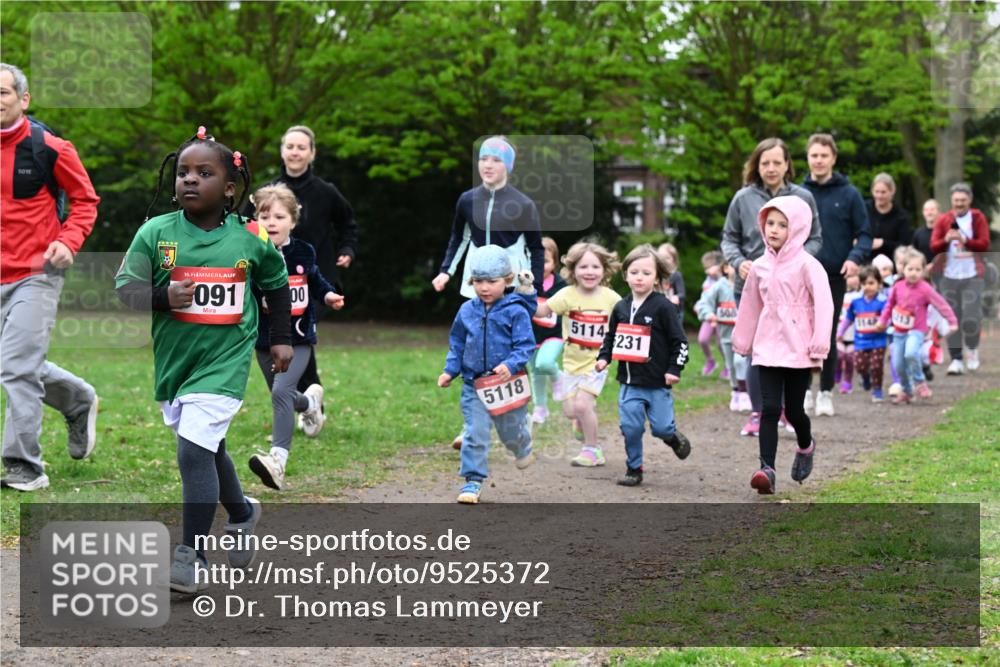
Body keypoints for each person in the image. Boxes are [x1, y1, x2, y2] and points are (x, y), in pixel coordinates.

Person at [116, 128, 291, 591]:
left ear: (230, 189)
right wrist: (162, 295)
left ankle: (192, 554)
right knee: (207, 447)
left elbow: (275, 283)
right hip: (177, 364)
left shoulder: (251, 239)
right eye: (183, 172)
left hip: (226, 359)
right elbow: (125, 290)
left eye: (204, 173)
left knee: (193, 450)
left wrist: (280, 337)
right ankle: (242, 511)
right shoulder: (155, 233)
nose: (190, 180)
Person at [0, 63, 101, 491]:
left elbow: (84, 200)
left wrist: (69, 241)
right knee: (16, 363)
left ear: (23, 99)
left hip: (35, 272)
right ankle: (77, 400)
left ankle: (24, 465)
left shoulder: (49, 147)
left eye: (2, 92)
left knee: (16, 367)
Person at [433, 136, 545, 449]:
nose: (488, 165)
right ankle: (472, 426)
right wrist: (446, 271)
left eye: (496, 160)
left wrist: (531, 287)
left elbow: (536, 248)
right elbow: (459, 237)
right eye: (484, 159)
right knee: (475, 351)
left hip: (512, 288)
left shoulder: (523, 204)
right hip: (476, 284)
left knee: (511, 354)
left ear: (507, 165)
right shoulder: (467, 200)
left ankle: (517, 417)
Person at [253, 125, 358, 423]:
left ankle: (309, 404)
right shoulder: (269, 192)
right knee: (286, 339)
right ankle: (305, 401)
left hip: (313, 280)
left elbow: (348, 223)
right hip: (274, 281)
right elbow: (252, 230)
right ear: (282, 151)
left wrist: (347, 251)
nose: (295, 152)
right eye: (290, 146)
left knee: (299, 336)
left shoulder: (327, 192)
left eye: (302, 147)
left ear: (312, 153)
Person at [720, 137, 822, 437]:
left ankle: (790, 411)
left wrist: (796, 263)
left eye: (777, 162)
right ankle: (759, 411)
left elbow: (816, 238)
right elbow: (729, 238)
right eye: (765, 163)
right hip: (752, 285)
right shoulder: (743, 198)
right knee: (756, 350)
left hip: (794, 291)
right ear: (756, 165)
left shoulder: (803, 197)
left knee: (793, 347)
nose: (771, 168)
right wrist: (738, 261)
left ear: (788, 164)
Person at [732, 196, 833, 495]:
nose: (774, 230)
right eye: (770, 223)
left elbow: (824, 306)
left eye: (782, 224)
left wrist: (819, 344)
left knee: (794, 410)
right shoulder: (760, 267)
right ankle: (767, 470)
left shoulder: (809, 266)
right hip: (766, 347)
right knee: (769, 409)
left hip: (799, 348)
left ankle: (805, 444)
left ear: (798, 228)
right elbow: (750, 305)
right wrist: (743, 339)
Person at [247, 184, 344, 491]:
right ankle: (310, 403)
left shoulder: (303, 251)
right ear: (255, 220)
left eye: (278, 216)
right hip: (263, 339)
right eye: (264, 216)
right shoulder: (250, 253)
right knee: (284, 396)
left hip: (298, 338)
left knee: (280, 393)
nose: (271, 222)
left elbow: (314, 279)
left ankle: (277, 460)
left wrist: (328, 295)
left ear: (293, 220)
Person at [437, 245, 536, 504]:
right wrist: (450, 370)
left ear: (507, 280)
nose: (484, 287)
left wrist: (511, 364)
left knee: (509, 433)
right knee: (475, 432)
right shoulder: (467, 310)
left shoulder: (516, 310)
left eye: (491, 281)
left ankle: (522, 444)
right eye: (478, 281)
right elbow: (457, 343)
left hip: (507, 384)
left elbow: (525, 345)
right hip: (474, 385)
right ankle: (473, 481)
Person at [595, 244, 690, 486]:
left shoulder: (663, 307)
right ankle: (634, 468)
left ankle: (672, 437)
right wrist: (604, 357)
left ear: (657, 277)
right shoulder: (621, 308)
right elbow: (611, 336)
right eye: (634, 272)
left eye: (646, 273)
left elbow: (680, 341)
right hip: (629, 382)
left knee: (660, 428)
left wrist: (674, 369)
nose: (640, 277)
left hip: (657, 382)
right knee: (630, 427)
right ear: (625, 274)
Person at [801, 133, 872, 417]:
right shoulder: (798, 193)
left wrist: (855, 259)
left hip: (832, 274)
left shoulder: (849, 194)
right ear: (808, 158)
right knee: (800, 333)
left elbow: (864, 234)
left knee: (826, 334)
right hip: (800, 274)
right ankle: (803, 391)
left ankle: (826, 393)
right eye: (814, 155)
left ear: (833, 158)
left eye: (823, 156)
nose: (818, 161)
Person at [534, 241, 621, 467]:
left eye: (595, 267)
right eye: (583, 267)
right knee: (571, 411)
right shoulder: (567, 295)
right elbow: (542, 311)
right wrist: (522, 297)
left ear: (604, 270)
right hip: (571, 363)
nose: (589, 272)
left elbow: (627, 320)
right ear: (572, 270)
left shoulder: (611, 298)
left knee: (583, 405)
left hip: (597, 362)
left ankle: (593, 449)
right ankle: (581, 423)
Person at [876, 250, 957, 404]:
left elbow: (941, 304)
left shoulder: (925, 289)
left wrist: (952, 321)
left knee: (911, 353)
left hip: (916, 331)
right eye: (910, 269)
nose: (913, 273)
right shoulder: (897, 287)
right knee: (898, 365)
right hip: (899, 332)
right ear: (903, 269)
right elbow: (888, 306)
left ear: (923, 271)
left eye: (918, 270)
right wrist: (882, 321)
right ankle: (907, 391)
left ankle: (919, 382)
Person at [929, 183, 991, 375]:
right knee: (952, 318)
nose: (959, 204)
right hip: (948, 276)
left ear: (969, 201)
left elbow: (985, 245)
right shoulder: (944, 220)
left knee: (971, 317)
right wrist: (946, 240)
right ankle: (956, 359)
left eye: (963, 201)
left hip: (973, 274)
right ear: (952, 201)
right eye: (956, 201)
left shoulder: (978, 218)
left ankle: (972, 350)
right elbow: (934, 246)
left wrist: (966, 241)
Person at [694, 255, 747, 411]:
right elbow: (704, 302)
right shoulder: (719, 286)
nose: (737, 270)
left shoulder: (748, 286)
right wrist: (709, 314)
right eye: (733, 266)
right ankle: (736, 391)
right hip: (726, 335)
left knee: (740, 362)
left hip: (744, 336)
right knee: (731, 365)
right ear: (725, 268)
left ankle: (745, 392)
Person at [528, 236, 567, 424]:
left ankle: (559, 378)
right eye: (536, 260)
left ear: (554, 263)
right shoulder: (525, 283)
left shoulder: (561, 285)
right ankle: (540, 407)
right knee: (535, 372)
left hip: (554, 336)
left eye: (545, 261)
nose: (540, 265)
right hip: (530, 336)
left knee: (544, 363)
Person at [839, 266, 889, 402]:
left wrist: (884, 325)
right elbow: (849, 319)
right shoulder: (856, 302)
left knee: (876, 366)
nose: (868, 287)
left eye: (871, 283)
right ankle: (865, 378)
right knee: (860, 365)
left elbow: (888, 317)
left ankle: (877, 390)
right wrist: (840, 332)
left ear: (879, 284)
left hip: (878, 341)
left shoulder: (883, 301)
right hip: (861, 341)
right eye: (864, 284)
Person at [866, 173, 912, 263]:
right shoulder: (864, 209)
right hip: (866, 264)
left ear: (892, 191)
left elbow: (904, 245)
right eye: (876, 192)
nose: (879, 196)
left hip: (891, 264)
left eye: (883, 192)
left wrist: (883, 243)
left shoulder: (901, 216)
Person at [694, 250, 726, 377]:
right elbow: (705, 297)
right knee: (702, 339)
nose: (707, 270)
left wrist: (718, 272)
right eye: (705, 268)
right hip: (708, 315)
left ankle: (728, 365)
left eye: (710, 267)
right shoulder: (707, 282)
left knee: (721, 343)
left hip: (721, 317)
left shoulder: (723, 280)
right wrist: (699, 305)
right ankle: (711, 361)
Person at [835, 273, 862, 393]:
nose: (852, 279)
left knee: (850, 359)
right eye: (849, 276)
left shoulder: (860, 296)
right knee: (839, 357)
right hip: (839, 333)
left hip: (854, 334)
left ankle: (847, 382)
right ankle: (837, 371)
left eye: (854, 276)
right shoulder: (839, 294)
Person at [657, 242, 686, 324]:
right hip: (660, 310)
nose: (664, 260)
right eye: (661, 257)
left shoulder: (676, 275)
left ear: (674, 260)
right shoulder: (656, 274)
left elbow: (682, 294)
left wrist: (676, 297)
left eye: (667, 258)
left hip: (675, 312)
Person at [912, 199, 939, 265]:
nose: (929, 213)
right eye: (926, 210)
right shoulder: (918, 233)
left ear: (938, 211)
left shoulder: (944, 232)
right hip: (923, 272)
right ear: (923, 213)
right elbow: (914, 255)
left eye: (932, 209)